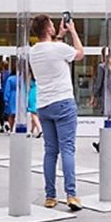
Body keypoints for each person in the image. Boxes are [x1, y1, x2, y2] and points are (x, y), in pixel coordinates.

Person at [28, 13, 85, 211]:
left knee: (50, 151)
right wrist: (73, 31)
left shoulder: (33, 51)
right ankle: (71, 195)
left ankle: (50, 196)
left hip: (44, 105)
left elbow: (53, 51)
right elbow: (79, 53)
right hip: (63, 102)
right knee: (67, 149)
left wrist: (60, 36)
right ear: (49, 29)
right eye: (52, 25)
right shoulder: (58, 48)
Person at [0, 60, 11, 132]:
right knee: (6, 109)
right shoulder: (9, 73)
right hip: (7, 92)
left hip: (1, 92)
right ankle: (7, 122)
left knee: (0, 109)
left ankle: (2, 125)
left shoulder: (0, 73)